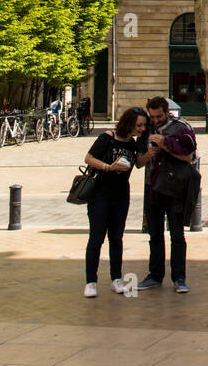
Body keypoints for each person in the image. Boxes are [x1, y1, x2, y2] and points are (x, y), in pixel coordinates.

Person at [83, 107, 148, 298]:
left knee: (116, 238)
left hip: (121, 196)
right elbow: (88, 158)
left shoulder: (133, 143)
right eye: (139, 125)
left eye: (144, 125)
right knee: (96, 238)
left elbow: (138, 164)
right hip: (100, 194)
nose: (142, 128)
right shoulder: (107, 137)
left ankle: (116, 279)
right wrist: (108, 167)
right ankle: (91, 281)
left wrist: (150, 153)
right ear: (128, 123)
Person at [137, 96, 197, 294]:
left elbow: (188, 157)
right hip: (152, 186)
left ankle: (179, 277)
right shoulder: (146, 129)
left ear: (166, 111)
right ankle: (155, 275)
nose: (155, 120)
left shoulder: (181, 127)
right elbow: (139, 161)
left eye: (159, 116)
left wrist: (165, 145)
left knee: (177, 234)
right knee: (155, 234)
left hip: (174, 187)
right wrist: (148, 154)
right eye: (152, 116)